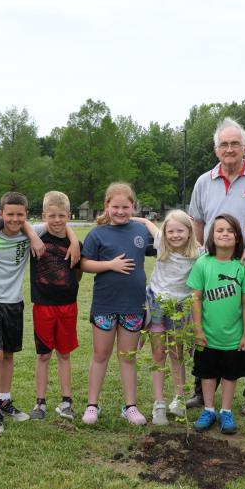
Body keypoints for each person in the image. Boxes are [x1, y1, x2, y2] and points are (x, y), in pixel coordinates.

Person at [187, 117, 245, 416]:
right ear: (216, 149)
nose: (229, 149)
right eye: (224, 144)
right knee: (210, 321)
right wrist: (203, 256)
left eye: (235, 144)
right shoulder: (204, 181)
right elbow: (197, 222)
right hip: (215, 261)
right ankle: (202, 392)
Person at [80, 182, 153, 426]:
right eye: (115, 206)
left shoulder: (141, 232)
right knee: (101, 355)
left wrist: (145, 222)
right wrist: (109, 265)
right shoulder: (97, 234)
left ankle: (130, 406)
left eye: (126, 206)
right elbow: (84, 263)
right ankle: (92, 405)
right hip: (105, 305)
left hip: (133, 306)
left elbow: (165, 241)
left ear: (133, 206)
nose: (120, 211)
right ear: (107, 206)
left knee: (127, 357)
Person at [188, 214, 245, 435]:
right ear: (212, 236)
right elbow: (196, 298)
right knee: (207, 374)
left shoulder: (243, 267)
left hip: (234, 335)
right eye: (220, 230)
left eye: (230, 230)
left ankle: (226, 411)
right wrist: (197, 329)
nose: (225, 234)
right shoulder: (203, 263)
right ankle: (208, 409)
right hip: (207, 333)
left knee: (229, 375)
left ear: (237, 237)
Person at [0, 191, 43, 434]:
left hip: (15, 304)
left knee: (8, 355)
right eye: (10, 214)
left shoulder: (30, 233)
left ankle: (6, 402)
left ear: (26, 215)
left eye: (20, 215)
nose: (15, 219)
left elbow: (59, 224)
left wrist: (33, 236)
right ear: (1, 213)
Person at [136, 210, 201, 424]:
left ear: (189, 232)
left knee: (176, 354)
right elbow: (146, 221)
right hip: (157, 305)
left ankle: (180, 399)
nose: (174, 235)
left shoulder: (198, 253)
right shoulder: (160, 243)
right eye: (170, 231)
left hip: (180, 309)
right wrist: (127, 217)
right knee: (157, 355)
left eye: (180, 231)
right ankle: (159, 404)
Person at [29, 191, 81, 420]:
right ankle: (39, 403)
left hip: (68, 305)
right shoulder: (36, 236)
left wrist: (73, 240)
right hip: (43, 305)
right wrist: (33, 236)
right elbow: (22, 225)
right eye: (52, 215)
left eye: (62, 215)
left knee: (64, 353)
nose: (57, 220)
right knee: (43, 355)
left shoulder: (76, 243)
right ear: (44, 216)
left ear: (69, 215)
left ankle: (66, 400)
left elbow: (78, 275)